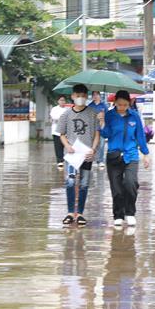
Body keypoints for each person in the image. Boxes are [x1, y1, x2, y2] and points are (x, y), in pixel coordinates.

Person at [98, 90, 150, 227]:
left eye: (125, 105)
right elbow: (106, 134)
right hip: (114, 155)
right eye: (119, 104)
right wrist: (102, 123)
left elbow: (140, 136)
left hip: (131, 155)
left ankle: (130, 212)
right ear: (114, 103)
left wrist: (146, 154)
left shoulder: (134, 116)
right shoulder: (109, 115)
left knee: (130, 183)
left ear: (129, 103)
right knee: (117, 188)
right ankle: (118, 215)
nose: (122, 107)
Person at [57, 84, 100, 226]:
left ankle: (80, 213)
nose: (80, 98)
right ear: (73, 96)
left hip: (86, 155)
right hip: (71, 156)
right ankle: (70, 212)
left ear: (86, 96)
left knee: (84, 183)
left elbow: (97, 135)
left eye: (83, 95)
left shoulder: (93, 114)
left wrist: (93, 150)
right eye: (78, 95)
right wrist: (67, 146)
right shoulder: (66, 115)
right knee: (70, 182)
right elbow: (61, 135)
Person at [88, 91, 108, 168]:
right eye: (94, 95)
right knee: (93, 144)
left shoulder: (104, 106)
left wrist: (103, 118)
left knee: (102, 144)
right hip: (93, 128)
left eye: (97, 95)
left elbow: (107, 116)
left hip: (102, 127)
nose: (95, 96)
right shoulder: (90, 106)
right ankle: (92, 159)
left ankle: (100, 160)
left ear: (99, 96)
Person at [50, 94, 69, 169]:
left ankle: (66, 159)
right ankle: (59, 161)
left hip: (66, 132)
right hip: (56, 131)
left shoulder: (67, 109)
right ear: (58, 101)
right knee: (58, 147)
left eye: (63, 100)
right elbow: (54, 117)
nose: (62, 102)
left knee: (66, 145)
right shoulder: (54, 109)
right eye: (61, 100)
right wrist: (62, 118)